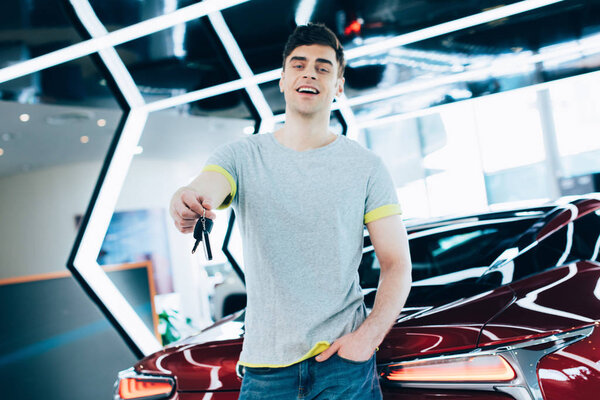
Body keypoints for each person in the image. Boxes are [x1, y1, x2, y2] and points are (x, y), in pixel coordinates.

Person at [169, 22, 412, 400]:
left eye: (322, 67)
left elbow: (397, 264)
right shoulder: (242, 156)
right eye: (298, 65)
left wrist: (367, 339)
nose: (309, 73)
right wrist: (187, 199)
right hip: (266, 374)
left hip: (344, 368)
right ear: (283, 80)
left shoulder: (366, 166)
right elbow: (205, 188)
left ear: (338, 85)